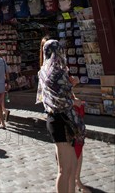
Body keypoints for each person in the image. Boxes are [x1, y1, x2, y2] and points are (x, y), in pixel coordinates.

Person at [36, 39, 86, 193]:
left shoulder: (43, 70)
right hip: (61, 120)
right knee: (64, 170)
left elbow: (48, 95)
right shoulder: (58, 71)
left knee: (69, 168)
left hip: (56, 120)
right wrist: (73, 87)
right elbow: (62, 98)